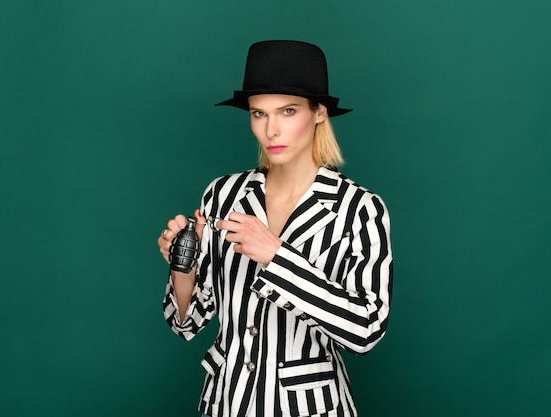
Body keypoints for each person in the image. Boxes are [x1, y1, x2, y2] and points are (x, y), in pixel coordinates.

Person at [157, 40, 393, 417]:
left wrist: (277, 256)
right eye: (258, 113)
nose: (271, 130)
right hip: (226, 401)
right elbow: (186, 323)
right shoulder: (222, 194)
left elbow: (365, 330)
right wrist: (183, 266)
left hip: (309, 407)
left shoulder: (359, 208)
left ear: (318, 113)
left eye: (287, 111)